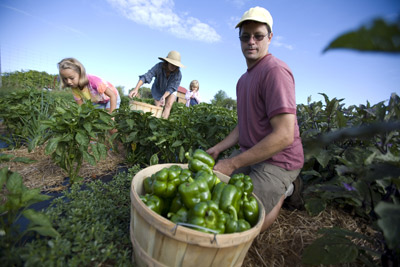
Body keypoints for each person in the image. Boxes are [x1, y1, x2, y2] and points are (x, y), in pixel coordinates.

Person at [206, 6, 304, 233]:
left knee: (243, 219)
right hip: (251, 153)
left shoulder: (275, 71)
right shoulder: (243, 80)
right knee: (216, 195)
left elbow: (284, 135)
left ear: (270, 38)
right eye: (245, 36)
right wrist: (218, 149)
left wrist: (232, 163)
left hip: (279, 159)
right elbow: (245, 124)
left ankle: (284, 189)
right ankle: (271, 187)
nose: (251, 41)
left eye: (258, 36)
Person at [129, 51, 185, 119]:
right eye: (172, 64)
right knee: (158, 107)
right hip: (158, 89)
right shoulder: (159, 67)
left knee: (168, 105)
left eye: (175, 65)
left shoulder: (178, 74)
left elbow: (172, 88)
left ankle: (163, 124)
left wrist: (164, 96)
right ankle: (157, 123)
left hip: (170, 91)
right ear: (167, 62)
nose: (174, 66)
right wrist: (136, 89)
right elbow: (147, 76)